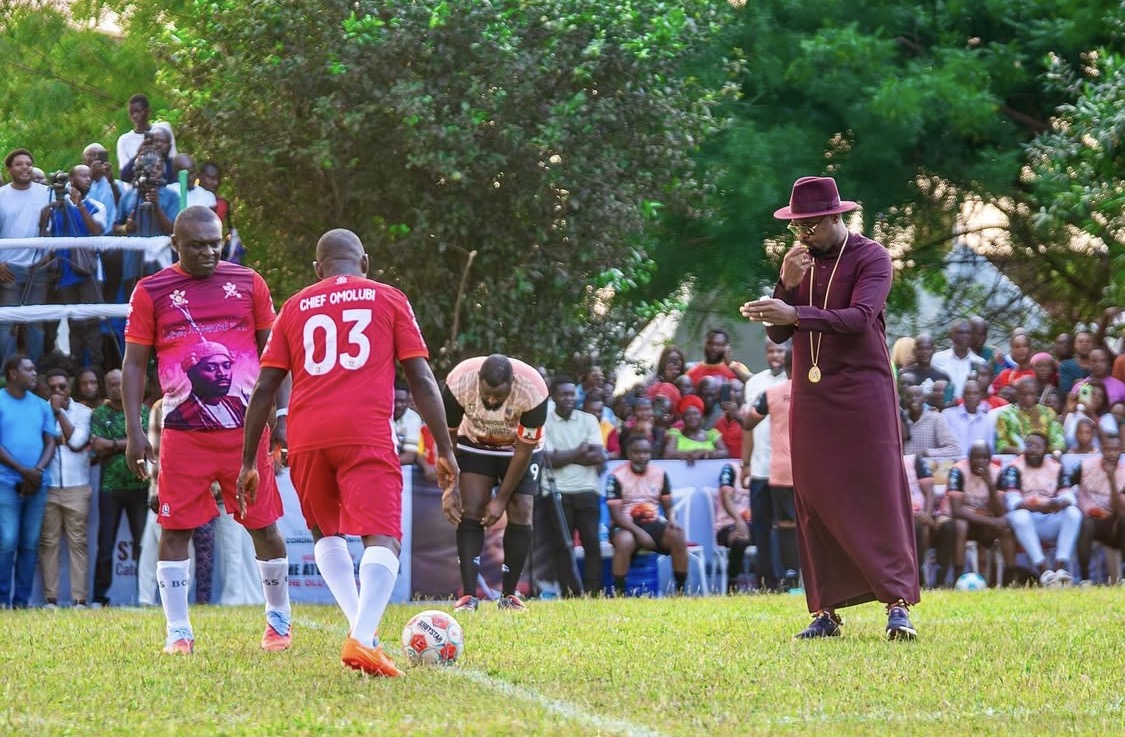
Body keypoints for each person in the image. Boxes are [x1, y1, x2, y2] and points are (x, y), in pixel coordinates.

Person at [238, 228, 456, 677]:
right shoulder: (388, 297)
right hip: (364, 430)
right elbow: (421, 379)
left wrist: (247, 461)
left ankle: (365, 634)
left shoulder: (295, 306)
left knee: (326, 534)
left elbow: (264, 388)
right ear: (365, 262)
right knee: (384, 536)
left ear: (318, 268)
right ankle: (362, 636)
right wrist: (446, 448)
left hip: (306, 435)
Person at [741, 175, 919, 640]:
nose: (804, 233)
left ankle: (897, 604)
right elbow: (779, 334)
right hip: (813, 393)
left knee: (877, 491)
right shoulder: (798, 261)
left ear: (836, 216)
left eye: (813, 224)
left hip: (864, 392)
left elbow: (861, 319)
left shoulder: (872, 257)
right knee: (814, 498)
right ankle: (825, 611)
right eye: (797, 225)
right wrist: (786, 285)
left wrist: (795, 313)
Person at [122, 206, 292, 655]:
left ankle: (278, 620)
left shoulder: (248, 283)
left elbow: (275, 356)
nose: (209, 251)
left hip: (245, 433)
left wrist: (281, 417)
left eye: (215, 242)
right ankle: (178, 631)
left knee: (264, 525)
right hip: (181, 435)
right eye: (197, 244)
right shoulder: (151, 290)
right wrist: (135, 429)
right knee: (174, 530)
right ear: (175, 245)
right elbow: (135, 362)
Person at [442, 354, 549, 613]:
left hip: (518, 449)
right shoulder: (458, 382)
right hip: (475, 442)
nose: (491, 401)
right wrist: (449, 487)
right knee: (473, 508)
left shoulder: (534, 391)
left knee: (521, 507)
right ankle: (468, 597)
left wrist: (501, 498)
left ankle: (509, 596)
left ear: (512, 384)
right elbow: (447, 438)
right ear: (478, 380)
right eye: (486, 394)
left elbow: (523, 451)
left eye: (498, 396)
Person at [89, 369, 151, 606]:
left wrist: (113, 444)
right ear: (106, 387)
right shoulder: (99, 414)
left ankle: (143, 596)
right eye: (112, 384)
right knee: (105, 545)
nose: (116, 388)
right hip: (110, 488)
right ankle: (98, 598)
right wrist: (130, 442)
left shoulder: (142, 411)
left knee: (141, 544)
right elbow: (97, 446)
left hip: (139, 484)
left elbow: (146, 445)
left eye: (120, 383)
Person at [541, 375, 606, 597]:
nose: (570, 398)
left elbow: (597, 455)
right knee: (562, 546)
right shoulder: (544, 421)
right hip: (556, 490)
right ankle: (570, 593)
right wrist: (580, 451)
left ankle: (593, 592)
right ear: (553, 397)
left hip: (587, 489)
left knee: (592, 543)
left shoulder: (589, 420)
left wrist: (565, 455)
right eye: (564, 394)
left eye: (572, 394)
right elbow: (549, 459)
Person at [0, 355, 56, 608]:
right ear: (13, 373)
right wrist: (23, 470)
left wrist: (37, 471)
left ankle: (21, 602)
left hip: (37, 483)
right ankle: (2, 600)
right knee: (8, 540)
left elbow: (51, 442)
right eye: (29, 369)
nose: (35, 374)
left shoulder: (42, 405)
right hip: (6, 481)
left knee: (30, 543)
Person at [742, 348, 800, 589]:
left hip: (781, 469)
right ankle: (797, 578)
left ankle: (791, 578)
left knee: (785, 524)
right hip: (808, 470)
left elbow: (747, 422)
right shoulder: (816, 391)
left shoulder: (771, 393)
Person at [605, 436, 689, 595]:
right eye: (637, 452)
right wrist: (640, 533)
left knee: (678, 535)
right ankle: (619, 594)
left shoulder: (660, 474)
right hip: (625, 523)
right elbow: (615, 515)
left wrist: (672, 520)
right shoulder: (616, 476)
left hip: (652, 521)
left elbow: (668, 507)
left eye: (645, 452)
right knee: (624, 541)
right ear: (628, 453)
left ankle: (681, 592)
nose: (641, 456)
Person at [39, 369, 94, 608]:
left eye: (62, 387)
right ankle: (51, 599)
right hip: (48, 487)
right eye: (52, 388)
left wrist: (59, 412)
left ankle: (79, 600)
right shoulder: (40, 411)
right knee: (48, 543)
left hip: (77, 487)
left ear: (69, 388)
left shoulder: (83, 412)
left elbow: (77, 441)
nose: (57, 391)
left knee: (78, 544)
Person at [999, 431, 1080, 587]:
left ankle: (1059, 570)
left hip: (1050, 517)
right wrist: (1038, 506)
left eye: (1038, 446)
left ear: (1046, 449)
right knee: (1019, 515)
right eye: (1029, 445)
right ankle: (1044, 572)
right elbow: (1012, 502)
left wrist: (1059, 503)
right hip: (1027, 521)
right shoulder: (1014, 468)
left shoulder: (1056, 467)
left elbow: (1070, 497)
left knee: (1073, 513)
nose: (1033, 450)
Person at [935, 441, 1015, 587]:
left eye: (985, 458)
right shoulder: (957, 471)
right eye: (976, 457)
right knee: (961, 525)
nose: (981, 462)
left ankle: (1010, 578)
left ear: (990, 459)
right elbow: (957, 510)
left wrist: (990, 484)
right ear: (969, 457)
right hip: (960, 518)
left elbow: (1000, 511)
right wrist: (992, 521)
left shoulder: (998, 473)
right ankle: (958, 576)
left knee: (1006, 529)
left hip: (983, 520)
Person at [0, 149, 52, 364]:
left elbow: (58, 225)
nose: (25, 167)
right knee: (6, 323)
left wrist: (48, 255)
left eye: (28, 164)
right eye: (19, 164)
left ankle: (33, 373)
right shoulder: (1, 194)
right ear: (9, 169)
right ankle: (7, 372)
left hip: (39, 267)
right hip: (8, 267)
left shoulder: (46, 192)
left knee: (36, 323)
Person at [1072, 433, 1124, 583]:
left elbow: (1120, 510)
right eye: (1108, 450)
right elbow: (1069, 490)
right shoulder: (1084, 466)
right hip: (1089, 519)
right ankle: (1085, 578)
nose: (1112, 454)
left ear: (1121, 450)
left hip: (1112, 522)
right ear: (1101, 449)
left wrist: (1112, 479)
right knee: (1086, 524)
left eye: (1115, 450)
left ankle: (1123, 576)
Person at [715, 462, 751, 593]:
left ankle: (773, 584)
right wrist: (739, 520)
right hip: (727, 525)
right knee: (740, 539)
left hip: (754, 524)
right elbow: (725, 496)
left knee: (775, 535)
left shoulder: (763, 469)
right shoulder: (730, 469)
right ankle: (731, 586)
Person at [685, 329, 750, 386]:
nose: (714, 348)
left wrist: (731, 365)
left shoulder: (738, 367)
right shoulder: (692, 372)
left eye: (719, 344)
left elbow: (753, 384)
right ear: (705, 344)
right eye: (710, 343)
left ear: (727, 347)